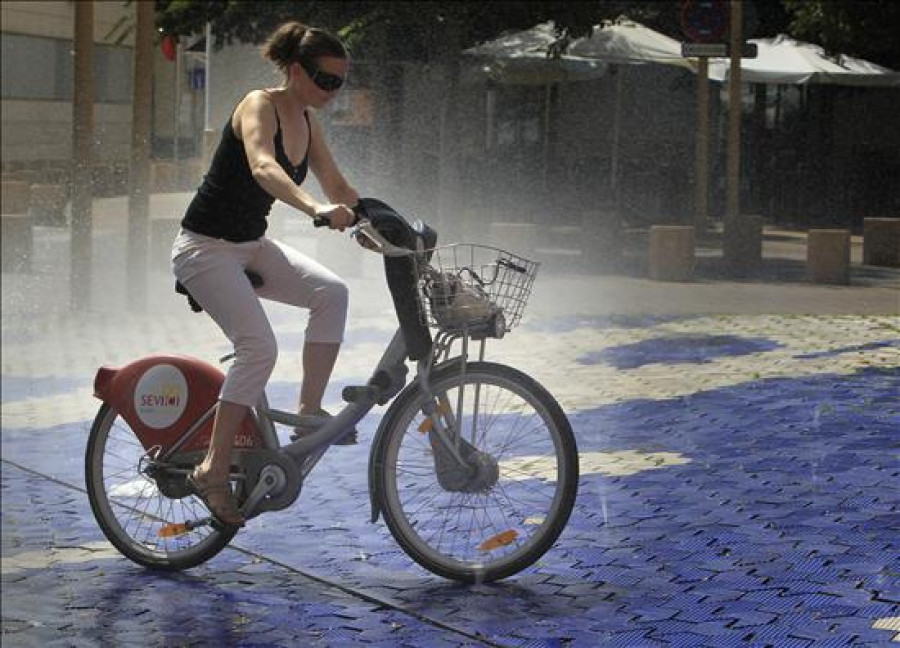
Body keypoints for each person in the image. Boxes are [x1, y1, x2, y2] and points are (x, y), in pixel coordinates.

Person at [171, 22, 359, 527]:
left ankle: (306, 418)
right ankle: (212, 466)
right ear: (296, 71)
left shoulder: (308, 120)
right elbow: (262, 167)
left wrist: (385, 226)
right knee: (260, 348)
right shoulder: (259, 104)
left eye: (339, 84)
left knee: (332, 292)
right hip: (204, 250)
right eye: (325, 81)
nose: (331, 92)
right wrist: (315, 207)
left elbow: (339, 184)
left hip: (249, 246)